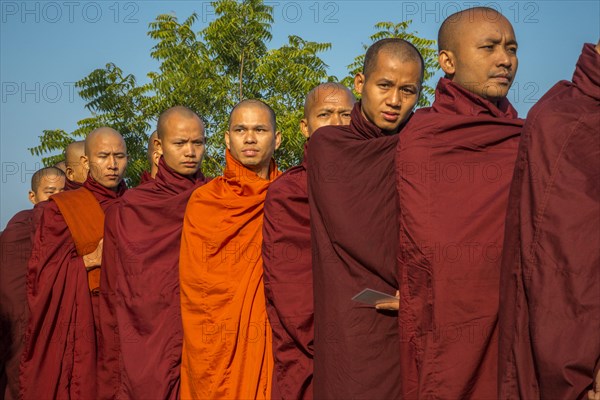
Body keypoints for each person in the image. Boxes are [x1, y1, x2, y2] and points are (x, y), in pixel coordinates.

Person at [394, 7, 523, 398]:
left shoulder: (525, 138)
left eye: (511, 48)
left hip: (515, 322)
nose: (505, 60)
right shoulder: (422, 136)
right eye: (489, 47)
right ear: (447, 61)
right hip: (443, 327)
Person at [307, 38, 423, 399]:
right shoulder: (329, 147)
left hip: (414, 316)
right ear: (360, 84)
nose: (394, 101)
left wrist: (422, 290)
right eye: (384, 86)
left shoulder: (423, 145)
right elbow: (355, 232)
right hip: (349, 320)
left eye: (408, 90)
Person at [498, 41, 600, 400]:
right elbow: (561, 262)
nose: (503, 60)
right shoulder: (561, 118)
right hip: (579, 344)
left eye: (510, 48)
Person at [98, 107, 210, 400]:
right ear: (159, 147)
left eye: (197, 143)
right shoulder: (130, 207)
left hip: (207, 333)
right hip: (148, 337)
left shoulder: (215, 198)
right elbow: (114, 290)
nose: (190, 152)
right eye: (180, 143)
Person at [179, 99, 281, 399]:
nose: (249, 138)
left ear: (277, 138)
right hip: (214, 343)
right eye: (240, 130)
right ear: (227, 138)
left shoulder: (289, 196)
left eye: (260, 130)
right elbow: (195, 289)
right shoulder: (204, 201)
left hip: (271, 335)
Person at [262, 82, 355, 400]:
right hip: (306, 344)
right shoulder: (288, 191)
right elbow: (287, 285)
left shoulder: (374, 179)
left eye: (346, 114)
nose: (337, 123)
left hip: (365, 338)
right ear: (305, 126)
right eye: (325, 114)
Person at [20, 127, 128, 400]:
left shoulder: (137, 204)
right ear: (86, 162)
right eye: (103, 156)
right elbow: (42, 279)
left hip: (131, 324)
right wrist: (86, 262)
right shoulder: (62, 208)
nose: (112, 165)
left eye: (119, 156)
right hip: (86, 327)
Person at [0, 167, 65, 400]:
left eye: (63, 191)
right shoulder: (18, 229)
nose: (57, 197)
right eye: (50, 191)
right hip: (23, 328)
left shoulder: (71, 228)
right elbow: (10, 296)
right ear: (32, 196)